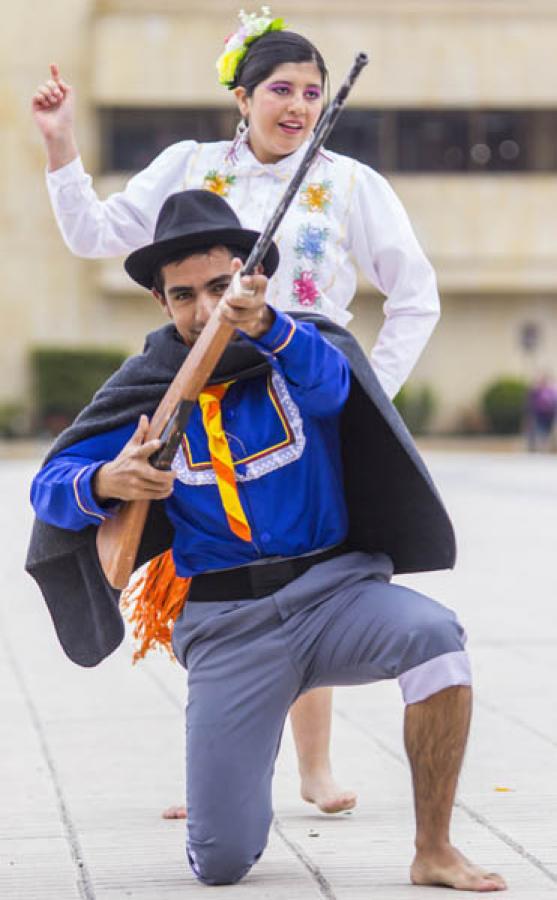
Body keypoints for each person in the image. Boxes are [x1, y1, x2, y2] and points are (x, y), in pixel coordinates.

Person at [27, 189, 506, 892]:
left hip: (337, 597)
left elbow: (333, 388)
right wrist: (106, 479)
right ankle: (235, 770)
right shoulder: (146, 386)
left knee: (438, 642)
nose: (202, 309)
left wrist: (271, 326)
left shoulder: (296, 349)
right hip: (226, 627)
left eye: (220, 287)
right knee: (221, 863)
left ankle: (433, 848)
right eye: (183, 295)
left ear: (249, 283)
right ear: (161, 304)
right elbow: (49, 484)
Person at [31, 8, 441, 817]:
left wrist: (364, 402)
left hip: (304, 390)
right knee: (207, 571)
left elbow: (415, 298)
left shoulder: (354, 183)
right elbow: (93, 234)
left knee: (310, 566)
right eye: (280, 89)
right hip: (203, 382)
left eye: (313, 93)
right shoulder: (189, 165)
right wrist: (59, 143)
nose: (297, 105)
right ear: (241, 97)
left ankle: (314, 767)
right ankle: (225, 747)